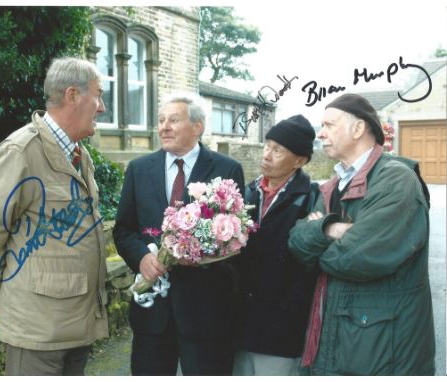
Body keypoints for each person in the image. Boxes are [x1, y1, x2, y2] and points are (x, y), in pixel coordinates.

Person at [288, 93, 435, 375]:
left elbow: (359, 256)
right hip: (342, 341)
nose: (321, 133)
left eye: (330, 125)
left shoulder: (396, 179)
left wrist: (317, 235)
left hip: (381, 353)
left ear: (358, 129)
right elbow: (297, 242)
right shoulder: (333, 184)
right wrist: (332, 229)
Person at [0, 57, 108, 376]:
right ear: (73, 96)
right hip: (37, 334)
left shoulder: (81, 154)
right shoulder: (21, 152)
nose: (102, 107)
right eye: (98, 95)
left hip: (75, 327)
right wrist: (0, 294)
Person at [113, 92, 245, 376]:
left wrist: (202, 253)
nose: (164, 127)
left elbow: (235, 236)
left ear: (198, 126)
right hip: (153, 316)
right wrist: (141, 260)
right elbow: (124, 229)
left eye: (173, 120)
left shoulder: (226, 169)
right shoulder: (138, 169)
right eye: (161, 120)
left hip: (206, 312)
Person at [233, 115, 319, 376]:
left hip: (281, 327)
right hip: (240, 321)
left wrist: (289, 313)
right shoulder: (246, 193)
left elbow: (310, 267)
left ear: (300, 160)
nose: (267, 155)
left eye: (278, 150)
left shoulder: (310, 198)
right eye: (267, 146)